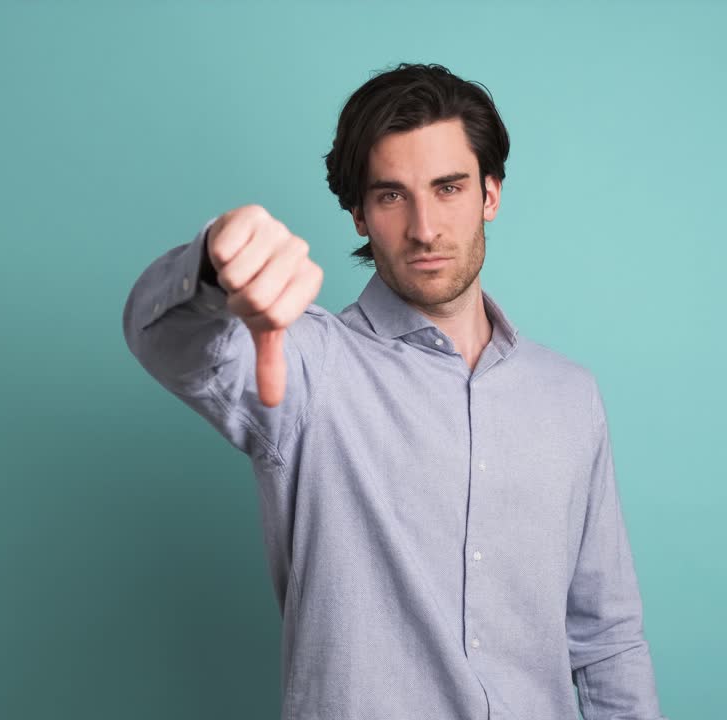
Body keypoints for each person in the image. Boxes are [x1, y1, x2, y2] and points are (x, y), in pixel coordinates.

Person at [122, 62, 668, 720]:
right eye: (390, 195)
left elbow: (606, 641)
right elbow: (161, 335)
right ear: (357, 214)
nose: (425, 227)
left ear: (490, 194)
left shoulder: (570, 397)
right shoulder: (308, 364)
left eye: (448, 188)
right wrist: (213, 261)